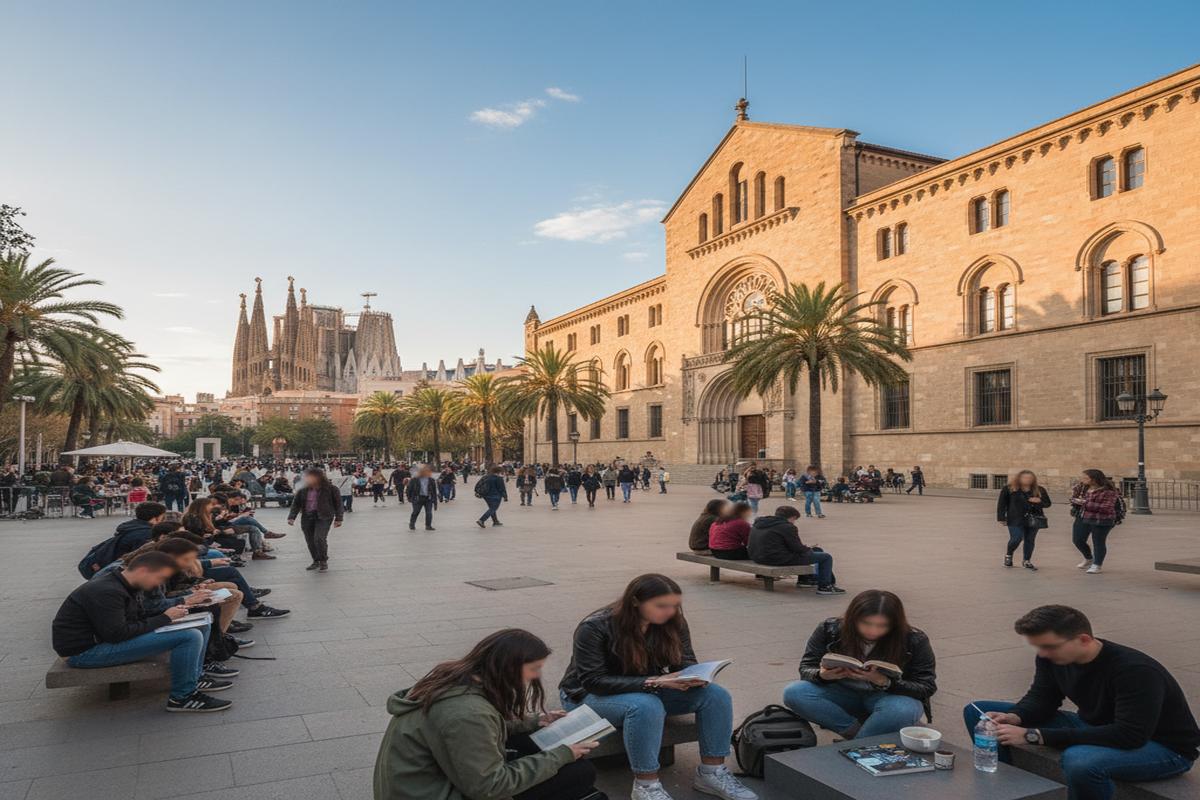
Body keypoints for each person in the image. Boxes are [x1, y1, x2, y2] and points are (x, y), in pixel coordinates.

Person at [964, 605, 1198, 800]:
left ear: (1083, 639)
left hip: (1162, 747)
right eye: (1037, 646)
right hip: (1096, 726)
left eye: (1048, 646)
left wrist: (1033, 735)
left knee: (1080, 761)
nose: (1042, 653)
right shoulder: (1052, 657)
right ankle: (1012, 790)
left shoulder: (1135, 671)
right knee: (980, 714)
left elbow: (1130, 735)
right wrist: (1016, 716)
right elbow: (1042, 698)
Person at [559, 574, 757, 800]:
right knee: (646, 705)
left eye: (675, 605)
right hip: (587, 695)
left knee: (715, 695)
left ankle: (711, 773)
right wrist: (654, 682)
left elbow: (685, 660)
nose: (670, 612)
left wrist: (692, 676)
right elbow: (593, 681)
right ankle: (646, 786)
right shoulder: (595, 626)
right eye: (661, 606)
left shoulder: (673, 622)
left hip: (646, 686)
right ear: (635, 602)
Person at [373, 628, 605, 800]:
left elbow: (477, 729)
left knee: (531, 739)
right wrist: (561, 755)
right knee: (579, 773)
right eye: (534, 669)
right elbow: (489, 786)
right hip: (432, 792)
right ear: (509, 667)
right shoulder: (468, 714)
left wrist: (534, 721)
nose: (535, 677)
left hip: (414, 785)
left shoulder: (454, 679)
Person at [51, 550, 233, 712]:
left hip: (105, 640)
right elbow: (116, 634)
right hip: (85, 652)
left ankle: (195, 676)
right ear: (143, 571)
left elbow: (136, 618)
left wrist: (180, 608)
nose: (158, 584)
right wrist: (166, 618)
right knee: (189, 636)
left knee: (202, 622)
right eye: (159, 578)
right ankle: (182, 697)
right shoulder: (106, 591)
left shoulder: (126, 584)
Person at [783, 590, 935, 739]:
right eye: (866, 623)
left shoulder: (914, 639)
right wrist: (821, 675)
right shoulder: (829, 629)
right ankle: (858, 735)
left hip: (888, 697)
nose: (873, 631)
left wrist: (884, 681)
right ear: (853, 618)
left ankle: (860, 743)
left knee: (902, 709)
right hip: (842, 692)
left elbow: (926, 687)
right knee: (794, 692)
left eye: (883, 625)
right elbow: (807, 667)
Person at [748, 505, 843, 595]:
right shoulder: (787, 527)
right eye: (794, 520)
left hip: (758, 556)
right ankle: (825, 586)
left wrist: (808, 549)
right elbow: (798, 548)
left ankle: (806, 579)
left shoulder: (759, 523)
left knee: (817, 550)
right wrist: (807, 549)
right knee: (826, 557)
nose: (794, 522)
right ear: (791, 517)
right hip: (776, 558)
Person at [288, 467, 343, 572]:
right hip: (307, 517)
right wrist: (291, 517)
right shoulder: (303, 489)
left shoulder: (331, 489)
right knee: (310, 540)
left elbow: (339, 504)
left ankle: (323, 560)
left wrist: (339, 518)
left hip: (324, 517)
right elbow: (296, 504)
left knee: (319, 538)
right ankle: (315, 560)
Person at [1069, 470, 1122, 574]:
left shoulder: (1108, 491)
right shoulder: (1082, 488)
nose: (1082, 480)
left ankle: (1097, 564)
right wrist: (1074, 499)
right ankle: (1089, 558)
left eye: (1085, 478)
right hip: (1083, 516)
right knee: (1077, 539)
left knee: (1098, 541)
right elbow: (1074, 498)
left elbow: (1106, 507)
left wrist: (1085, 503)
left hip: (1102, 519)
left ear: (1094, 479)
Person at [998, 470, 1052, 571]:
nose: (1027, 480)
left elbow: (1047, 503)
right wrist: (1001, 517)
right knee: (1016, 538)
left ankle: (1026, 560)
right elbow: (1002, 504)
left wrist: (1039, 501)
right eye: (1025, 478)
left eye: (1030, 478)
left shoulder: (1039, 490)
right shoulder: (1009, 489)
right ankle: (1009, 555)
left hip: (1033, 518)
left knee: (1029, 540)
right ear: (1019, 478)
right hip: (1015, 518)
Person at [406, 466, 438, 531]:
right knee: (416, 512)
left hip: (428, 499)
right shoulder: (414, 479)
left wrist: (435, 502)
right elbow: (409, 489)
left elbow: (434, 491)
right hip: (418, 498)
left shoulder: (431, 480)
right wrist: (409, 498)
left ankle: (428, 526)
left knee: (429, 513)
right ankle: (412, 524)